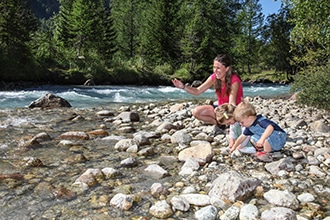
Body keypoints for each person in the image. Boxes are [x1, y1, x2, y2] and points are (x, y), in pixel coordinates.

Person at [172, 54, 243, 132]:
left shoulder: (234, 80)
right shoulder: (214, 77)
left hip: (234, 111)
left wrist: (224, 115)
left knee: (229, 116)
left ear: (227, 68)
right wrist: (183, 87)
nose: (215, 70)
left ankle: (229, 123)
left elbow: (231, 104)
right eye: (214, 67)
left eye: (218, 68)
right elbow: (197, 91)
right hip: (221, 110)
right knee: (196, 112)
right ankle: (220, 124)